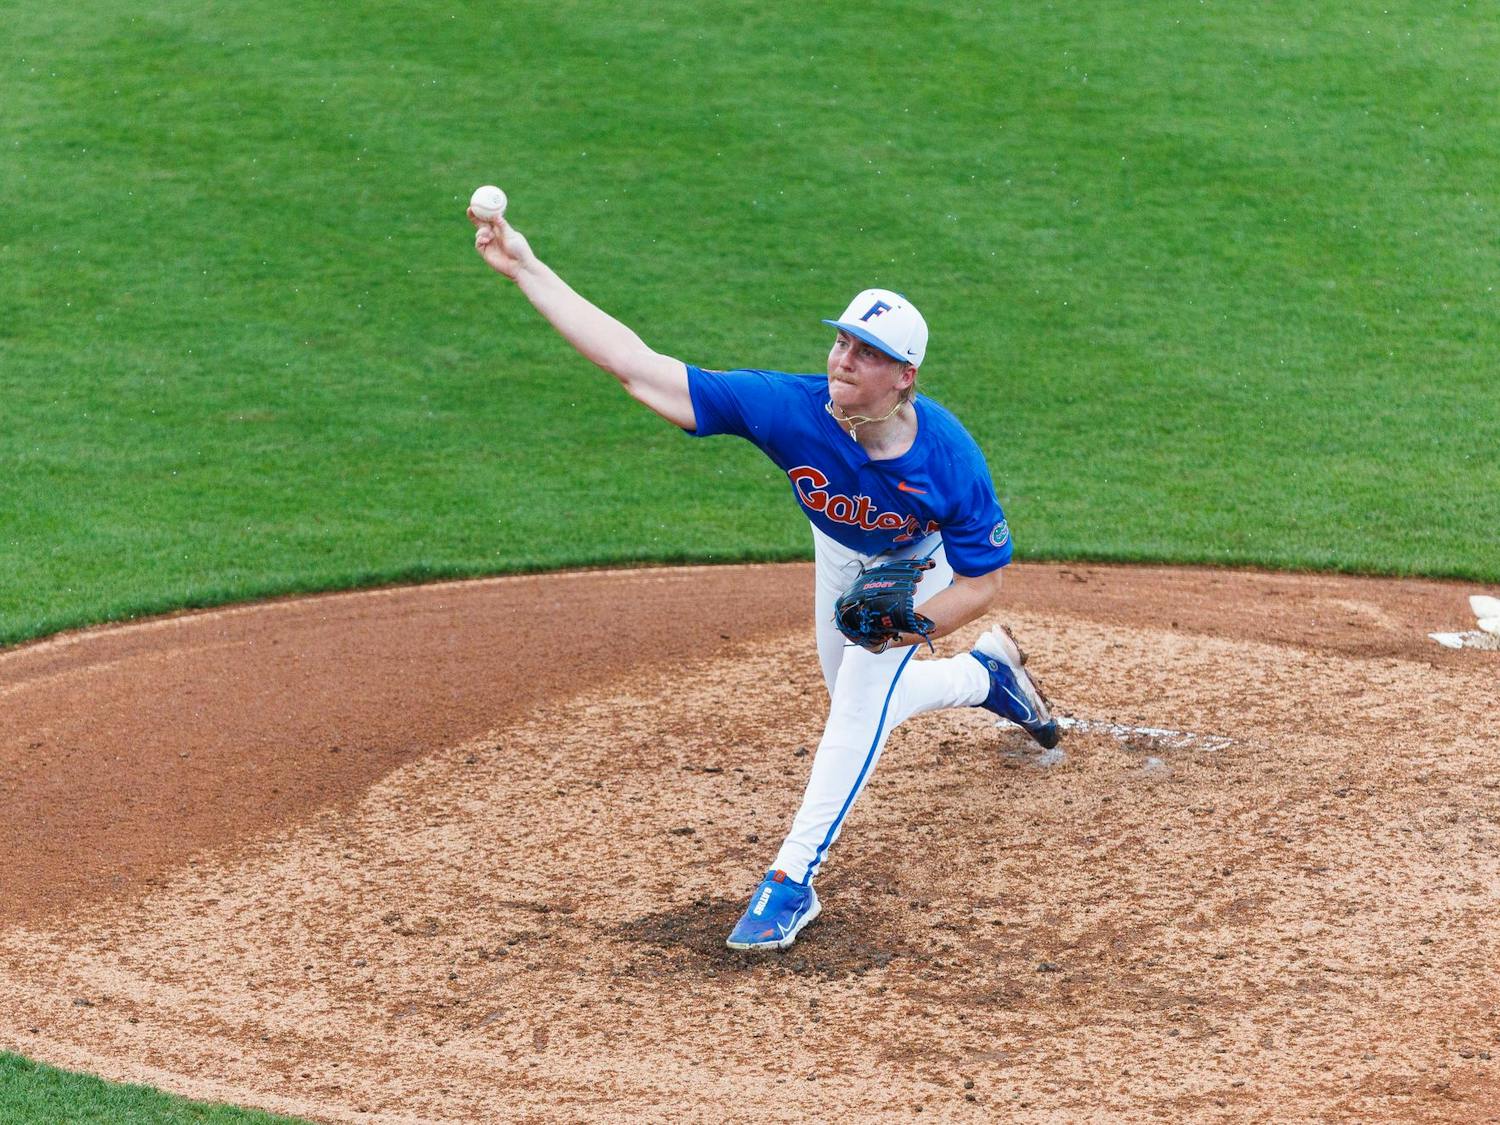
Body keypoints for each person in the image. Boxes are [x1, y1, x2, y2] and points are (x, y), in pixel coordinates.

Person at [470, 205, 1060, 952]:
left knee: (858, 699)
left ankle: (791, 879)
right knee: (852, 693)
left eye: (867, 351)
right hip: (839, 552)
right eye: (842, 339)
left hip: (922, 556)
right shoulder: (787, 408)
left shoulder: (948, 462)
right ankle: (987, 678)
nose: (843, 358)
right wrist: (526, 266)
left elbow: (984, 580)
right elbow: (637, 366)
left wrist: (911, 623)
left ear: (904, 376)